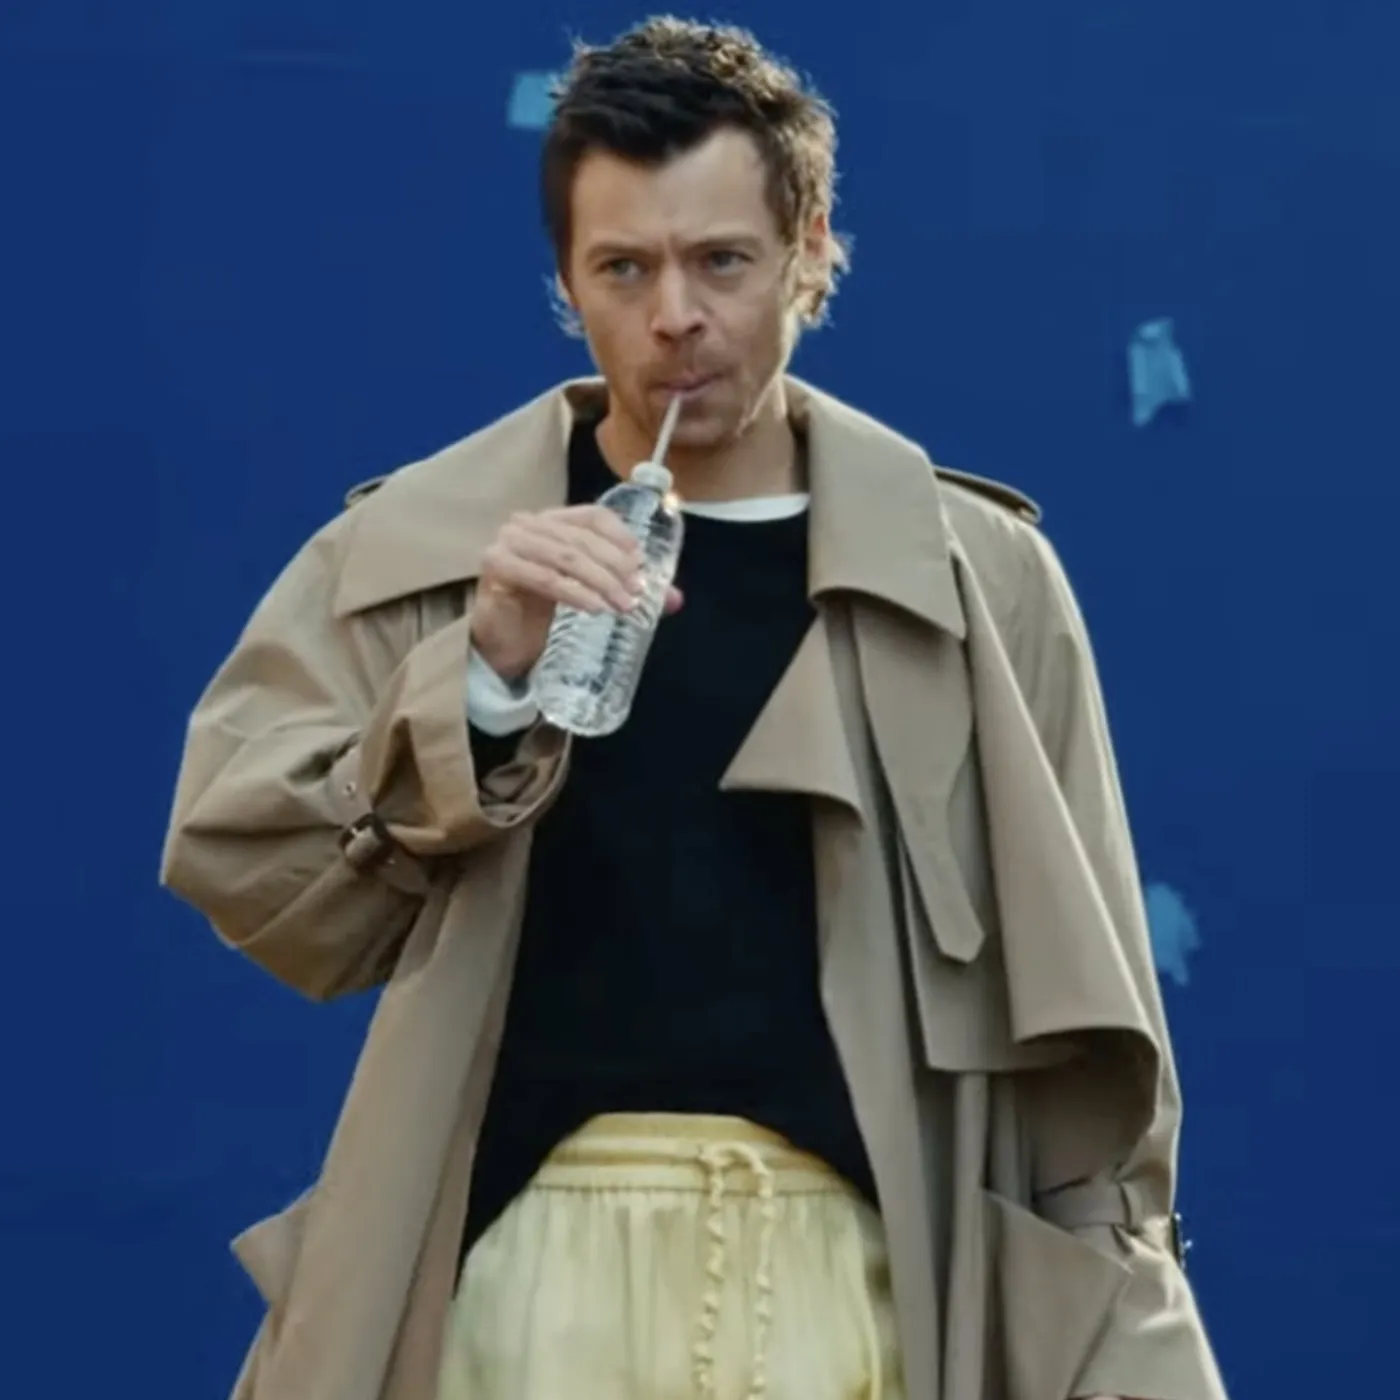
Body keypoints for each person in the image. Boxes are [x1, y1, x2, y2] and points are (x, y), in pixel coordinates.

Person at [161, 17, 1227, 1400]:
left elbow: (1095, 1024)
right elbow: (248, 861)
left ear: (810, 251)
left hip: (866, 1293)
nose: (675, 315)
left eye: (722, 259)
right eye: (624, 267)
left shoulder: (978, 579)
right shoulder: (428, 546)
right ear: (566, 281)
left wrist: (1126, 1335)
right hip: (516, 1289)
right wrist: (478, 680)